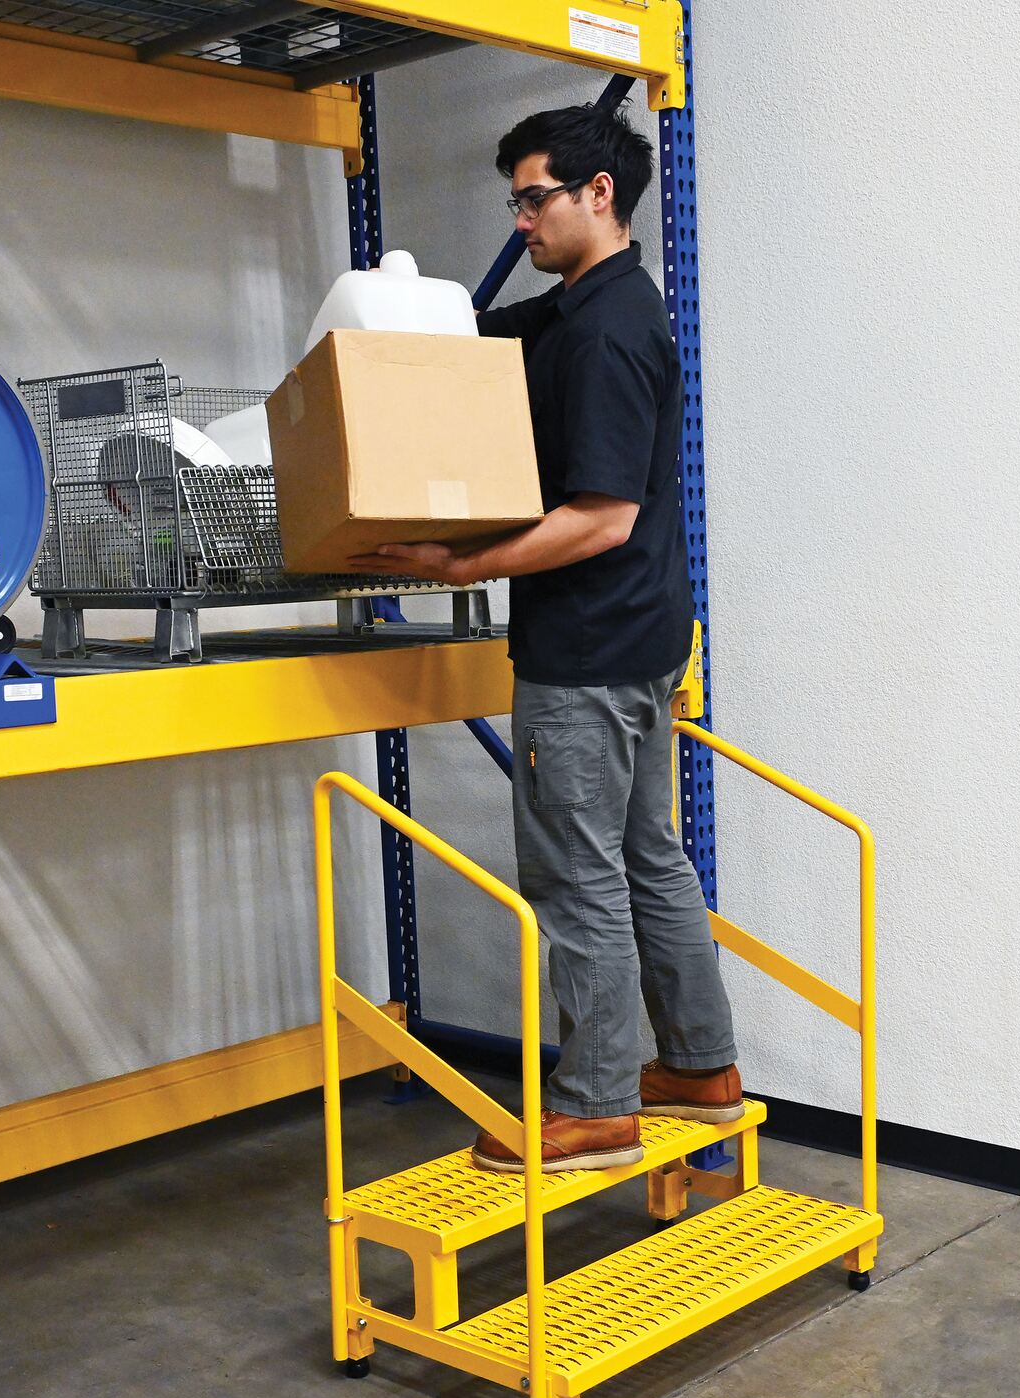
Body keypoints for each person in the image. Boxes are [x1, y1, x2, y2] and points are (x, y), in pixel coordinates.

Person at [348, 104, 741, 1173]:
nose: (519, 221)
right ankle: (700, 1068)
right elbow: (478, 339)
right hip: (642, 639)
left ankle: (598, 1104)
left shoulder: (610, 333)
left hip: (589, 652)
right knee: (648, 855)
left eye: (533, 200)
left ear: (598, 195)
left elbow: (602, 518)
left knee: (577, 877)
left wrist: (463, 565)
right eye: (515, 201)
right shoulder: (583, 308)